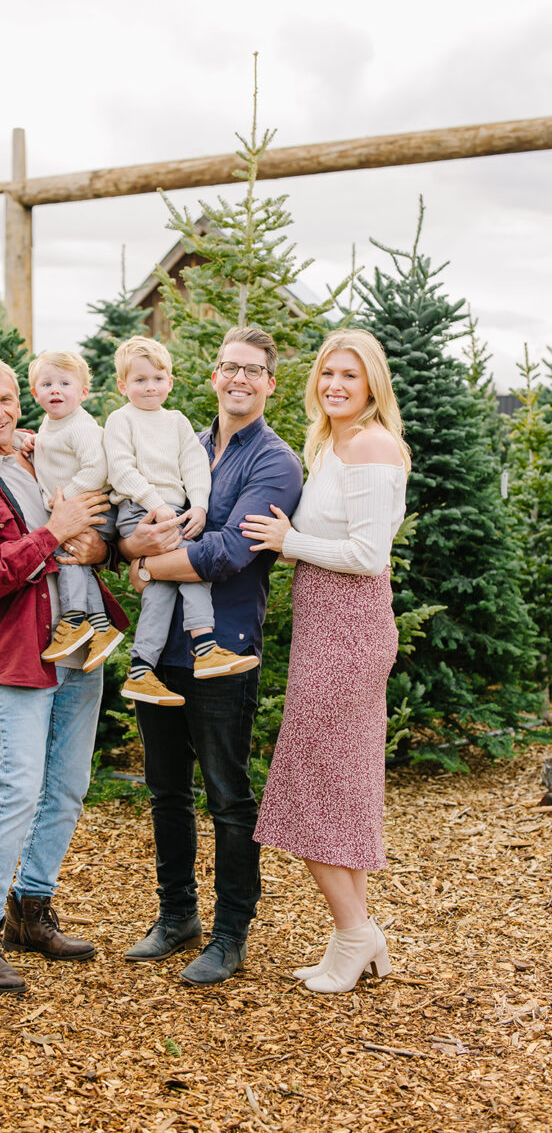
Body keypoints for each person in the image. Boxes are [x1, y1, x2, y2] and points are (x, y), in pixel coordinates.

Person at [0, 354, 128, 995]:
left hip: (78, 641)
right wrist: (52, 532)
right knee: (18, 788)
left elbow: (96, 529)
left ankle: (30, 910)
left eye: (7, 398)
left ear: (21, 401)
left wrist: (96, 544)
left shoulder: (41, 453)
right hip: (17, 652)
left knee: (68, 784)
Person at [120, 327, 303, 985]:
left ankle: (230, 933)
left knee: (227, 794)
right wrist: (139, 550)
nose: (239, 380)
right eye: (230, 367)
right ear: (214, 374)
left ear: (271, 383)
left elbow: (230, 553)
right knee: (166, 789)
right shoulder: (187, 447)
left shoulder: (275, 462)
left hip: (225, 649)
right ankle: (177, 918)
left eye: (253, 370)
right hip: (161, 649)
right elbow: (136, 519)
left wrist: (148, 561)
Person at [240, 328, 410, 994]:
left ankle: (357, 934)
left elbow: (369, 556)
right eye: (327, 373)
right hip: (324, 630)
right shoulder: (332, 443)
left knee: (309, 791)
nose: (335, 384)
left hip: (350, 636)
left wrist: (291, 541)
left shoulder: (372, 445)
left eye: (350, 374)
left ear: (372, 384)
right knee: (340, 790)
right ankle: (354, 940)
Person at [105, 336, 260, 707]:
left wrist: (201, 507)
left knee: (161, 588)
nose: (149, 387)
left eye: (157, 378)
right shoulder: (120, 420)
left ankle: (141, 668)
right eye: (139, 380)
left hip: (175, 510)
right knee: (193, 564)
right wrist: (156, 504)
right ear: (123, 385)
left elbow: (194, 466)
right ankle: (206, 647)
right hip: (138, 509)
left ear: (170, 382)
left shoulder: (176, 422)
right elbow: (122, 470)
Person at [29, 349, 123, 673]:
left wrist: (64, 499)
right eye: (47, 383)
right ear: (34, 392)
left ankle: (73, 621)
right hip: (76, 507)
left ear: (83, 392)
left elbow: (96, 470)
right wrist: (31, 446)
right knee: (75, 557)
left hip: (96, 507)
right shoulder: (48, 425)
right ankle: (101, 626)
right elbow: (50, 454)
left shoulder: (81, 427)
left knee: (67, 554)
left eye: (65, 383)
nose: (55, 389)